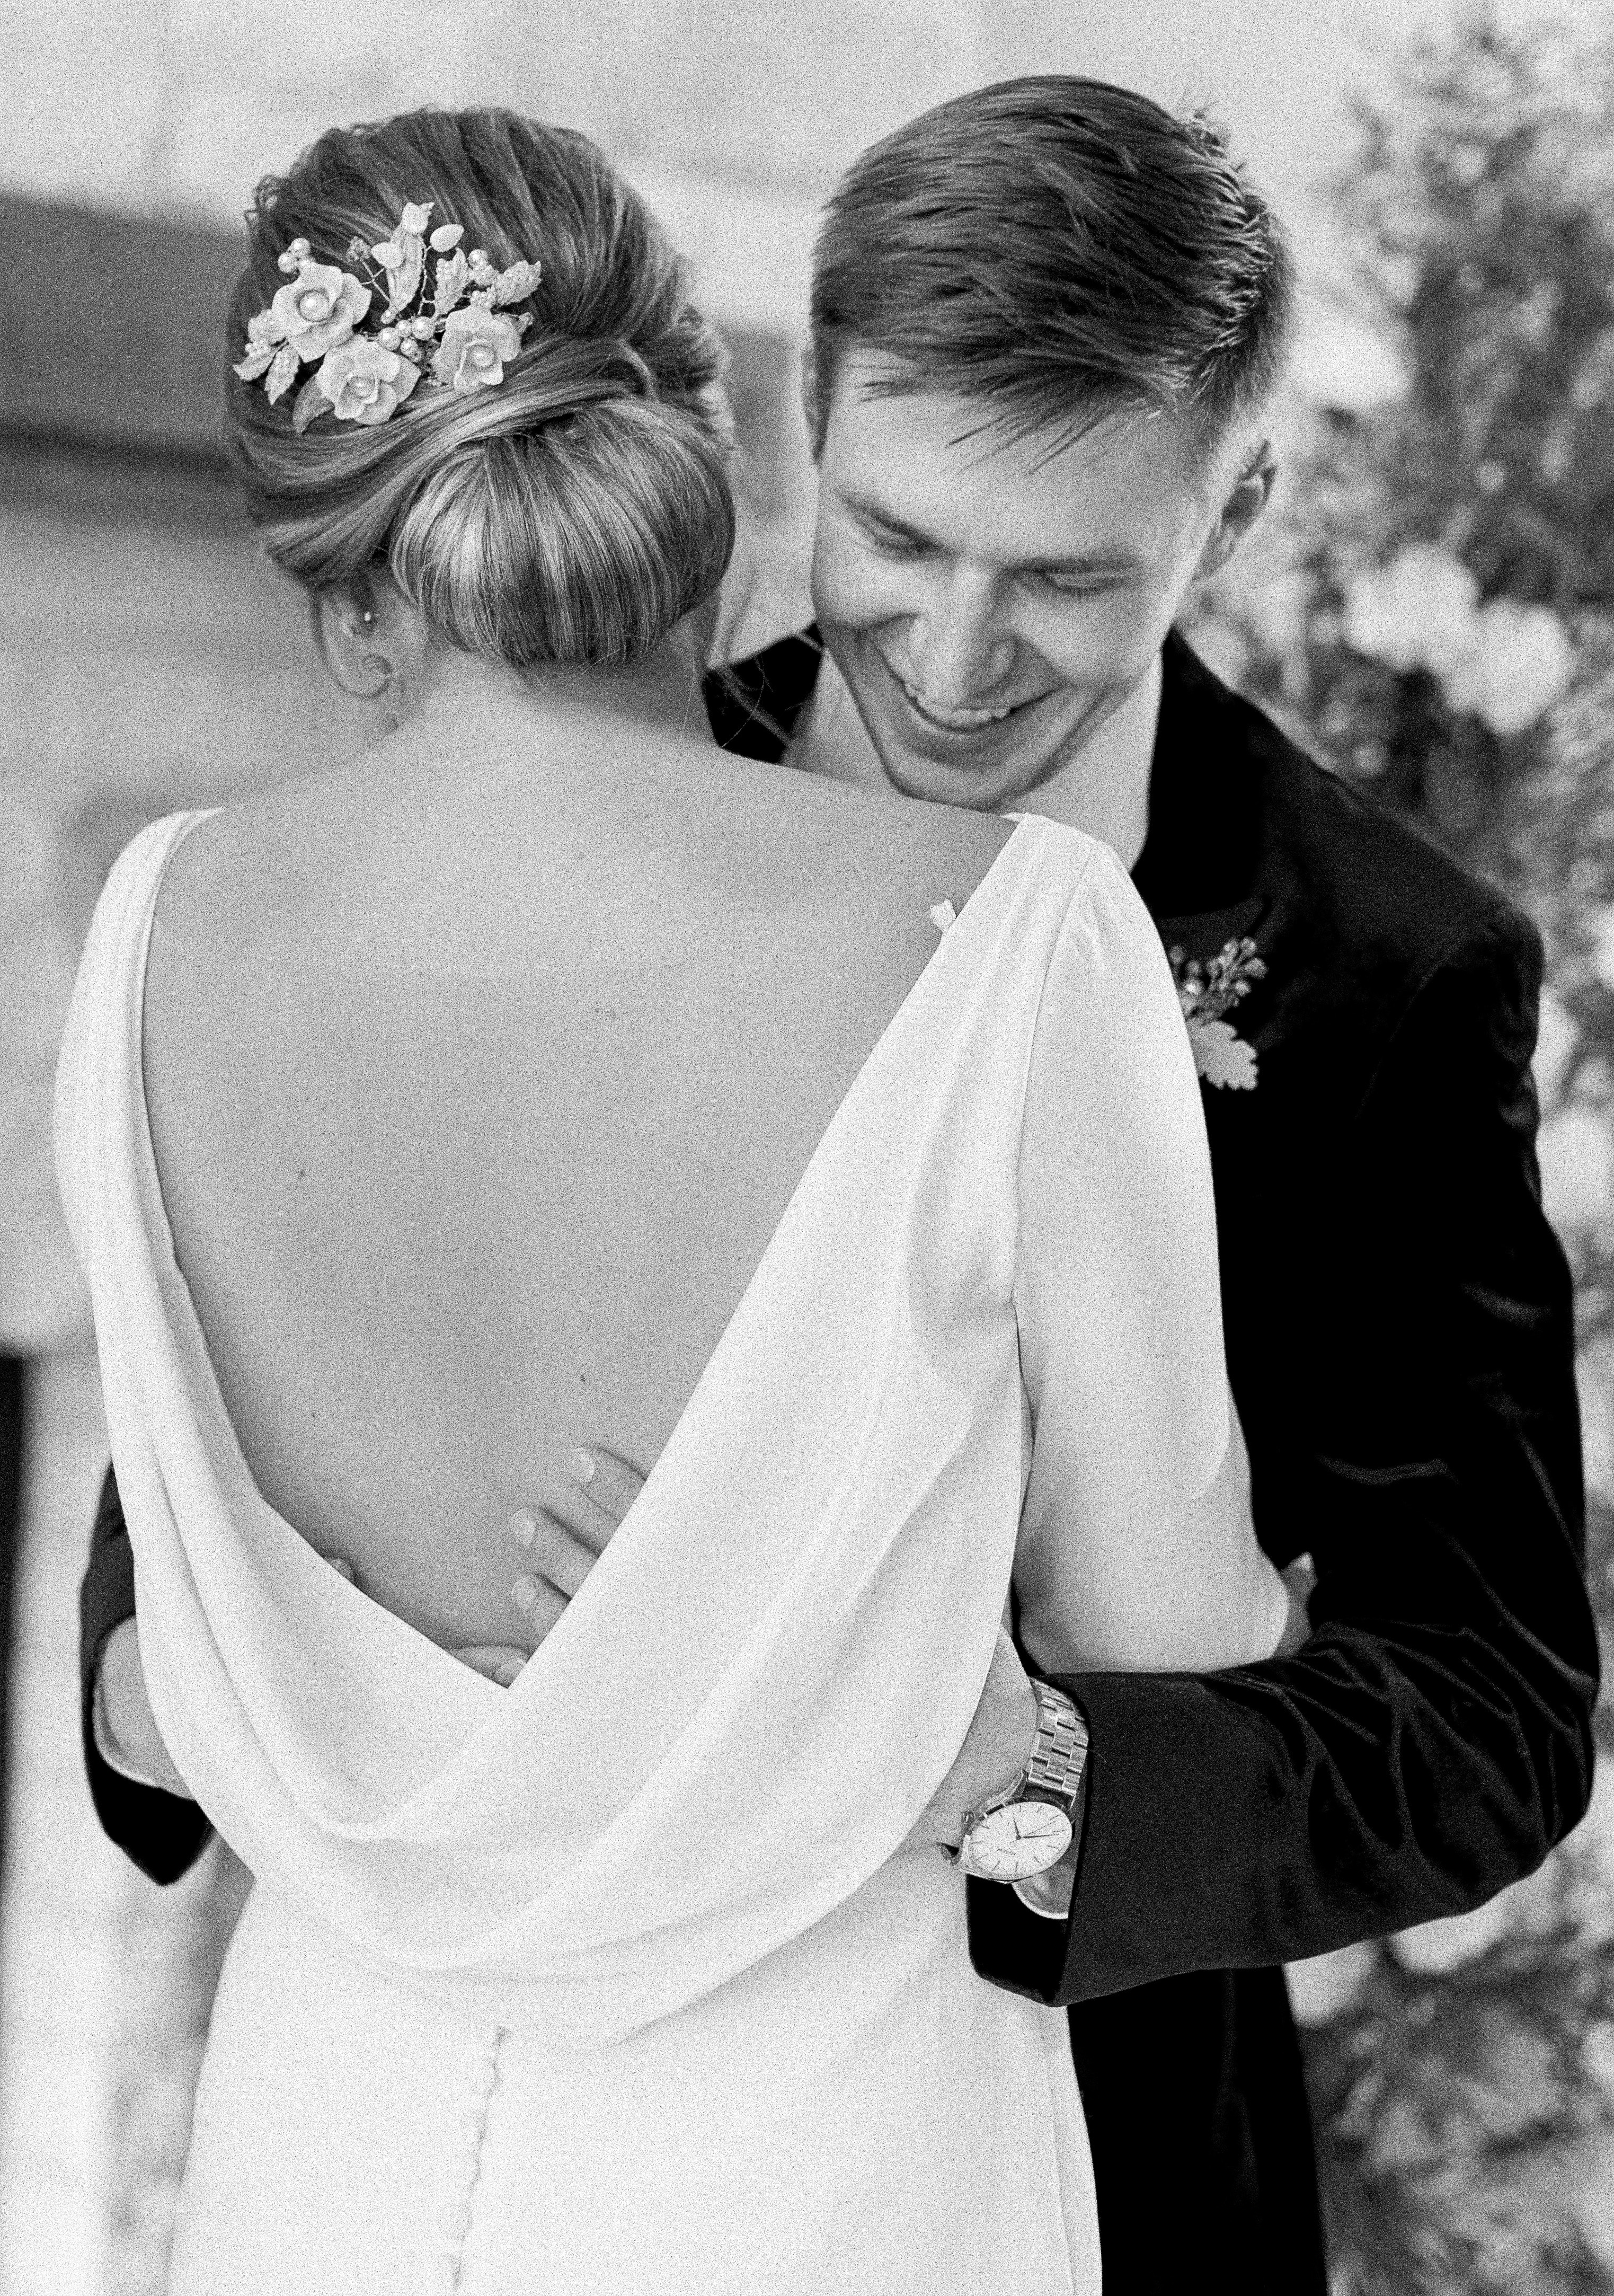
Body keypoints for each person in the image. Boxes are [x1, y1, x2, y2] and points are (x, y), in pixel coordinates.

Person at [77, 79, 1598, 2293]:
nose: (959, 657)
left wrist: (1009, 1758)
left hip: (1054, 2121)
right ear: (796, 440)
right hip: (468, 2096)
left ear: (1236, 507)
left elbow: (1488, 1718)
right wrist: (227, 1662)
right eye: (897, 541)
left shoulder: (1391, 965)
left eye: (1070, 578)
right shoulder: (552, 769)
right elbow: (199, 1450)